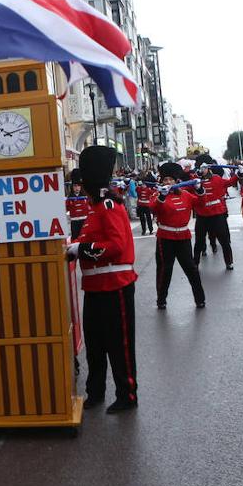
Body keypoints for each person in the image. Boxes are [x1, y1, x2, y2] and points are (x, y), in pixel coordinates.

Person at [67, 145, 138, 413]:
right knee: (95, 345)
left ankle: (127, 394)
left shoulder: (108, 206)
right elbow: (87, 240)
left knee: (120, 346)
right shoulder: (95, 209)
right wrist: (73, 247)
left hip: (115, 285)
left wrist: (81, 250)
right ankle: (95, 392)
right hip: (95, 287)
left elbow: (116, 245)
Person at [141, 161, 208, 310]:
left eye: (171, 179)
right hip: (165, 238)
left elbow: (201, 204)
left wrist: (200, 189)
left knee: (191, 269)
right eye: (165, 180)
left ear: (176, 180)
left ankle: (200, 299)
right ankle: (161, 299)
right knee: (165, 270)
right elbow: (153, 208)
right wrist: (162, 197)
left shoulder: (185, 194)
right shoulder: (158, 195)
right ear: (162, 181)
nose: (168, 182)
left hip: (183, 237)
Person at [193, 164, 237, 270]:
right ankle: (195, 263)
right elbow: (183, 187)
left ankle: (229, 262)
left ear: (208, 169)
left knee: (224, 240)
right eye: (201, 169)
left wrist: (239, 174)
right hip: (202, 214)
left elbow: (229, 182)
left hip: (217, 214)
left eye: (204, 168)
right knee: (199, 241)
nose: (202, 170)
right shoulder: (196, 181)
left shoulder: (217, 179)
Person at [66, 169, 92, 240]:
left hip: (84, 220)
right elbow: (66, 208)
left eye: (78, 186)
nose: (77, 188)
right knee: (75, 237)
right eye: (75, 186)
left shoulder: (85, 197)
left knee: (85, 236)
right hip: (74, 221)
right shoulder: (70, 198)